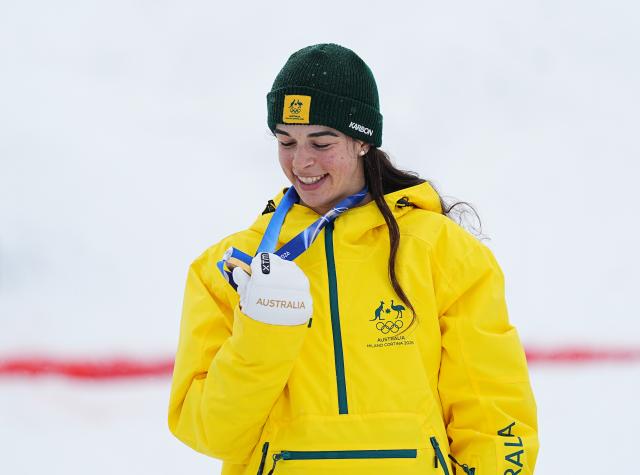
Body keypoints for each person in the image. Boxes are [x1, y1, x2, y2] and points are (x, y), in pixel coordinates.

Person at [168, 43, 539, 475]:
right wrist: (263, 334)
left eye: (321, 142)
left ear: (363, 141)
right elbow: (212, 435)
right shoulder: (231, 266)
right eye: (285, 141)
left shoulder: (442, 251)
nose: (300, 162)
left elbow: (496, 416)